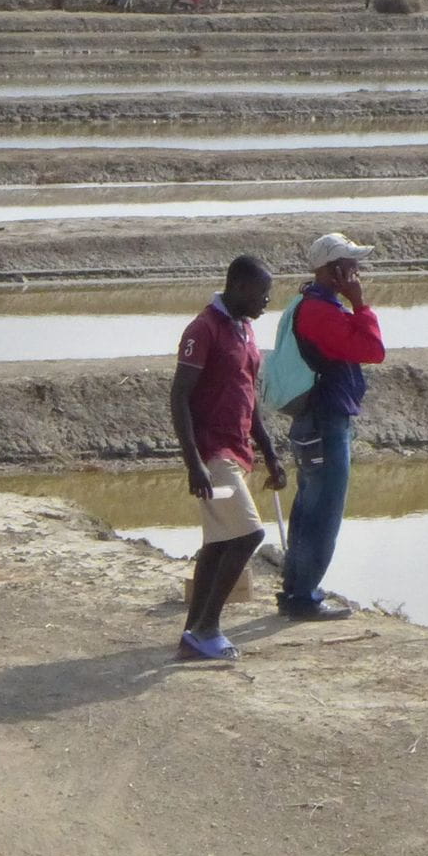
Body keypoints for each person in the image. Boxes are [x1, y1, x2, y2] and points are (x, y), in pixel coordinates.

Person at [169, 256, 285, 661]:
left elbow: (248, 398)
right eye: (262, 292)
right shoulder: (203, 330)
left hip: (238, 451)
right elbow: (179, 396)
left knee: (218, 544)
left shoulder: (245, 329)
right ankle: (208, 628)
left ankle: (193, 634)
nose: (268, 300)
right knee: (249, 535)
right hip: (213, 454)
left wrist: (270, 453)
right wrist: (193, 462)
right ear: (237, 287)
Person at [276, 233, 386, 622]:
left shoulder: (310, 306)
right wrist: (359, 304)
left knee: (309, 506)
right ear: (334, 269)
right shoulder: (321, 312)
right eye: (351, 264)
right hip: (325, 420)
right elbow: (372, 350)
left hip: (315, 419)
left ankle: (295, 590)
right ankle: (303, 597)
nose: (357, 271)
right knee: (323, 512)